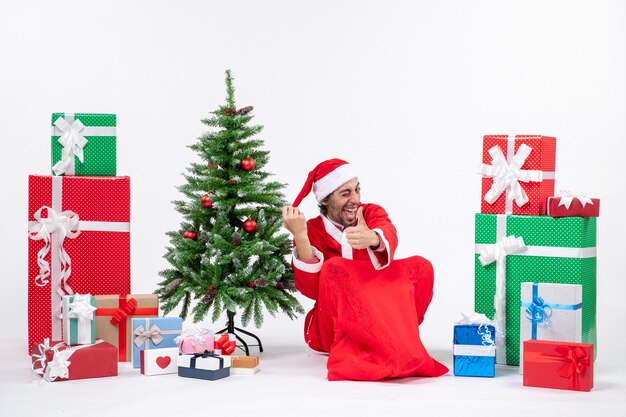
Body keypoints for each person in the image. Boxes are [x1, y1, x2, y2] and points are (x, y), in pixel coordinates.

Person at [282, 158, 448, 381]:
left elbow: (387, 230)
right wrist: (300, 237)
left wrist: (372, 237)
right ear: (325, 201)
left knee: (421, 267)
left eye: (357, 190)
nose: (356, 199)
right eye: (345, 193)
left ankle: (394, 337)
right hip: (332, 326)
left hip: (377, 311)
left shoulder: (370, 213)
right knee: (334, 268)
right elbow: (312, 291)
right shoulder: (311, 229)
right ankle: (374, 352)